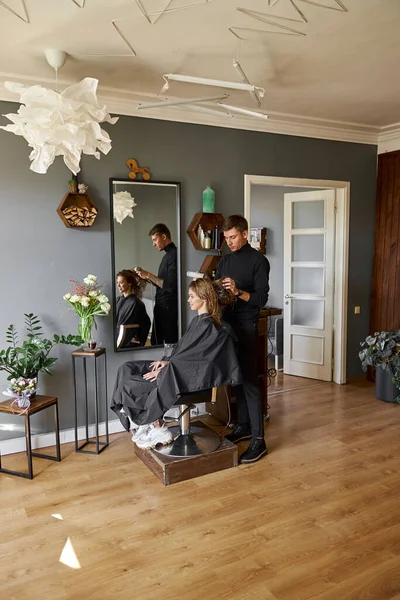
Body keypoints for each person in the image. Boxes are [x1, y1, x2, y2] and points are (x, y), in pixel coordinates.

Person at [111, 278, 242, 449]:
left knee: (130, 384)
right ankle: (143, 417)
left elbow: (201, 362)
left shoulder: (212, 328)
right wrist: (165, 361)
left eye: (192, 296)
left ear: (205, 298)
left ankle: (157, 424)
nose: (188, 300)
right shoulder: (198, 321)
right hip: (176, 368)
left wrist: (168, 369)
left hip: (186, 378)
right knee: (127, 368)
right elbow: (184, 352)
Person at [215, 214, 270, 464]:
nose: (230, 242)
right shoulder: (224, 261)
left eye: (234, 237)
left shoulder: (259, 261)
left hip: (247, 325)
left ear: (245, 234)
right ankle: (243, 426)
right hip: (228, 325)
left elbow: (261, 299)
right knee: (235, 377)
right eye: (226, 238)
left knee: (249, 380)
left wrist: (239, 292)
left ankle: (259, 439)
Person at [134, 223, 178, 346]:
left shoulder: (174, 256)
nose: (153, 244)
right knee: (156, 341)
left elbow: (171, 286)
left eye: (155, 240)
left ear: (164, 236)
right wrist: (144, 277)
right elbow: (162, 284)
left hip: (168, 308)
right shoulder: (167, 256)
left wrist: (149, 275)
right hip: (162, 306)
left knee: (167, 342)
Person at [115, 270, 151, 348]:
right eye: (117, 282)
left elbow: (146, 323)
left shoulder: (135, 303)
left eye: (121, 282)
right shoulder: (117, 300)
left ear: (130, 283)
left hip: (124, 342)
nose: (118, 285)